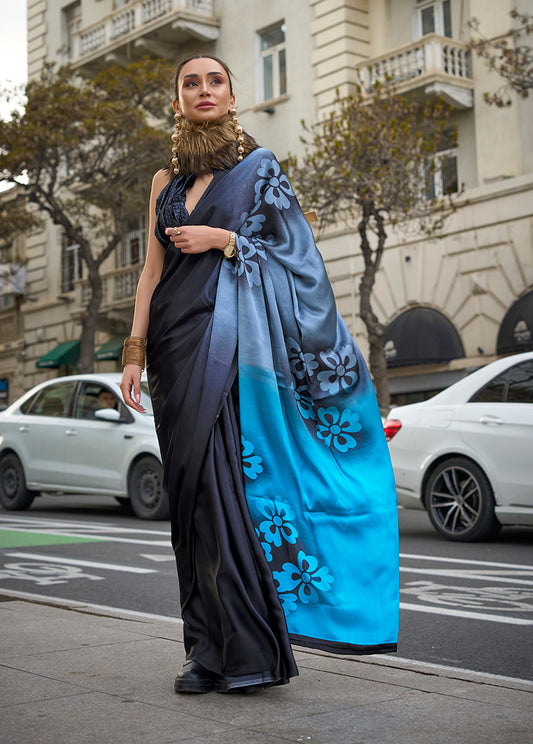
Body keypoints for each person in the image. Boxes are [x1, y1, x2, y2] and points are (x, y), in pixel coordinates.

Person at [120, 54, 399, 695]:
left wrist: (226, 241)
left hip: (230, 351)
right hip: (171, 353)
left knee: (226, 500)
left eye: (214, 80)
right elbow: (150, 274)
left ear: (231, 95)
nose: (203, 90)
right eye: (190, 83)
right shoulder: (163, 182)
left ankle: (244, 654)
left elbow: (298, 259)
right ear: (178, 100)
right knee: (188, 505)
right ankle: (201, 650)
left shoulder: (258, 169)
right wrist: (133, 352)